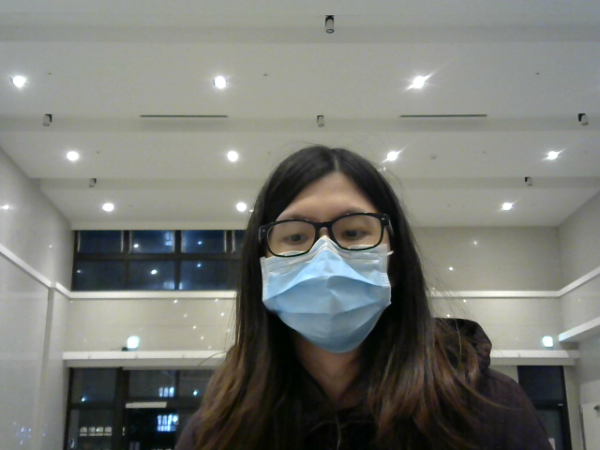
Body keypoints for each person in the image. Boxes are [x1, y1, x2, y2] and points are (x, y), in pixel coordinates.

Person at [176, 145, 553, 450]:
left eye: (354, 232)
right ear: (262, 266)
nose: (325, 257)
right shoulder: (219, 430)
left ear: (395, 260)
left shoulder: (490, 409)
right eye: (295, 236)